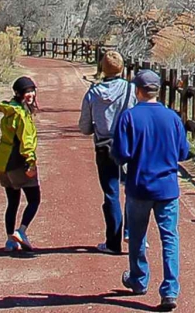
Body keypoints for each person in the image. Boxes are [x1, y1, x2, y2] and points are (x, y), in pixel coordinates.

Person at [112, 69, 190, 311]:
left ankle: (138, 279)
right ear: (157, 90)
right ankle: (170, 290)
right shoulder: (172, 118)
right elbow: (183, 153)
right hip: (167, 188)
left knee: (137, 235)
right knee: (170, 237)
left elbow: (121, 154)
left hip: (140, 186)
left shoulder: (129, 117)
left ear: (138, 90)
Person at [79, 49, 135, 254]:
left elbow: (84, 127)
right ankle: (132, 233)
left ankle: (113, 242)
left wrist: (97, 127)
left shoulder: (93, 93)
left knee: (111, 194)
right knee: (132, 190)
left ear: (102, 68)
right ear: (122, 67)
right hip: (128, 146)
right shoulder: (131, 90)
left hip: (104, 147)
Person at [0, 75, 42, 253]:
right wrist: (31, 162)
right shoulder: (22, 114)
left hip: (4, 162)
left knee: (12, 202)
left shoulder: (9, 110)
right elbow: (27, 141)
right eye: (27, 91)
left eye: (32, 90)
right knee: (34, 199)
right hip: (19, 162)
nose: (30, 94)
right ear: (19, 93)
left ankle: (10, 241)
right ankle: (21, 231)